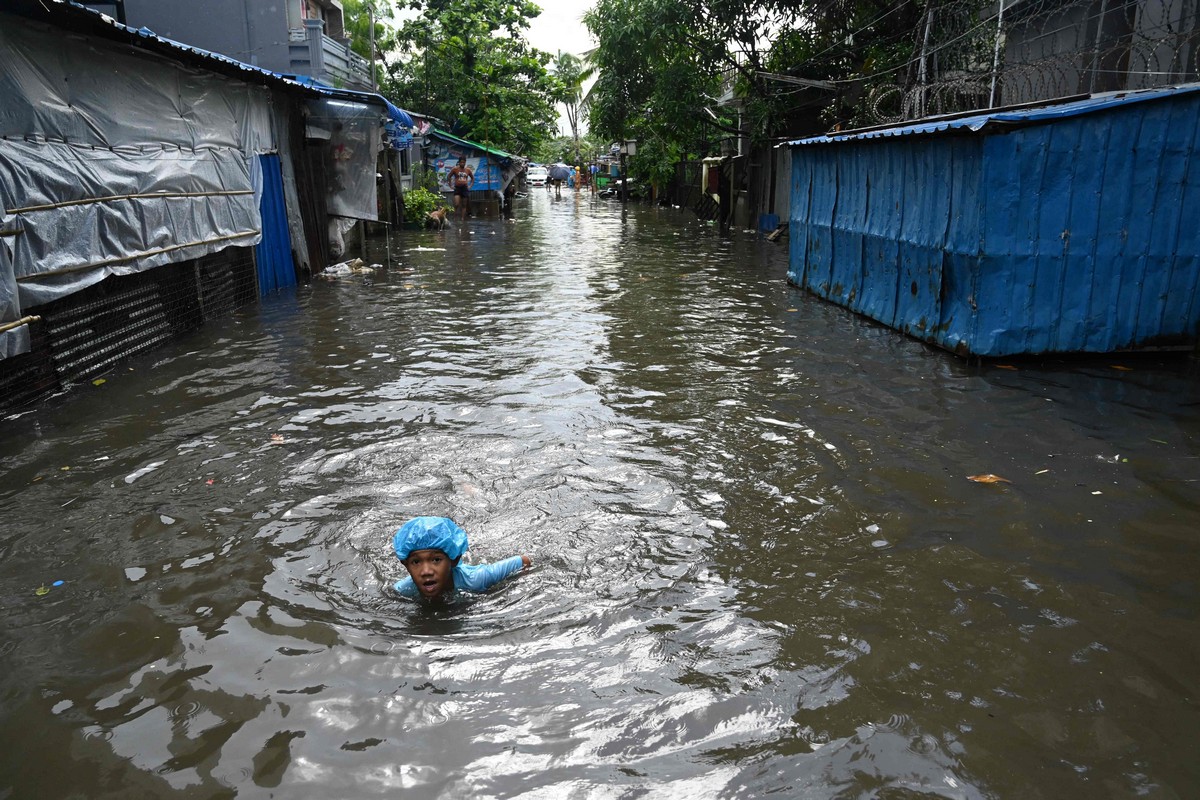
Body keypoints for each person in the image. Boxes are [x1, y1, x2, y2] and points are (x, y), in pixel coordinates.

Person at [392, 516, 531, 601]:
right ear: (405, 565)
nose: (426, 571)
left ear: (454, 559)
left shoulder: (477, 579)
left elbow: (523, 561)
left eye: (436, 560)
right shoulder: (402, 591)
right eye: (416, 562)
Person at [447, 157, 474, 221]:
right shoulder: (455, 169)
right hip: (458, 188)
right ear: (459, 162)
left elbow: (472, 178)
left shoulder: (468, 170)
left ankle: (462, 219)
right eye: (461, 162)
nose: (462, 163)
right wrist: (450, 185)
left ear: (465, 162)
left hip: (465, 188)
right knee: (456, 204)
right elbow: (449, 176)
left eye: (464, 162)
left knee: (464, 205)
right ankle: (455, 218)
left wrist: (470, 186)